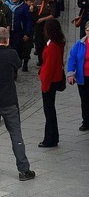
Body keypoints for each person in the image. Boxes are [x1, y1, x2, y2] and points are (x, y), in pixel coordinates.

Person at [0, 27, 35, 181]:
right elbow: (17, 65)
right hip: (8, 101)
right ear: (7, 40)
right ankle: (23, 169)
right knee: (15, 134)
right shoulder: (11, 54)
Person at [39, 18, 65, 148]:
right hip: (53, 80)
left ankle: (50, 139)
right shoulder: (57, 43)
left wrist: (44, 85)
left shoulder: (53, 46)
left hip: (50, 82)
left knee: (49, 111)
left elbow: (49, 68)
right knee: (50, 110)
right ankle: (53, 137)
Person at [5, 0, 33, 74]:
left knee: (17, 50)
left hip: (18, 32)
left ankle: (15, 70)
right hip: (8, 32)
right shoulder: (6, 5)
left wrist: (27, 33)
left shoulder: (24, 6)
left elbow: (29, 20)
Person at [67, 21, 89, 132]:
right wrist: (71, 73)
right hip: (83, 77)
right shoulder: (80, 44)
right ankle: (86, 121)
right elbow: (72, 58)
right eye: (87, 30)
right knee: (84, 100)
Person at [33, 0, 55, 66]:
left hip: (47, 24)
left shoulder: (50, 2)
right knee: (38, 42)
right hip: (38, 24)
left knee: (46, 42)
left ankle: (46, 59)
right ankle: (40, 59)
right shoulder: (36, 2)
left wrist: (43, 19)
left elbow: (52, 15)